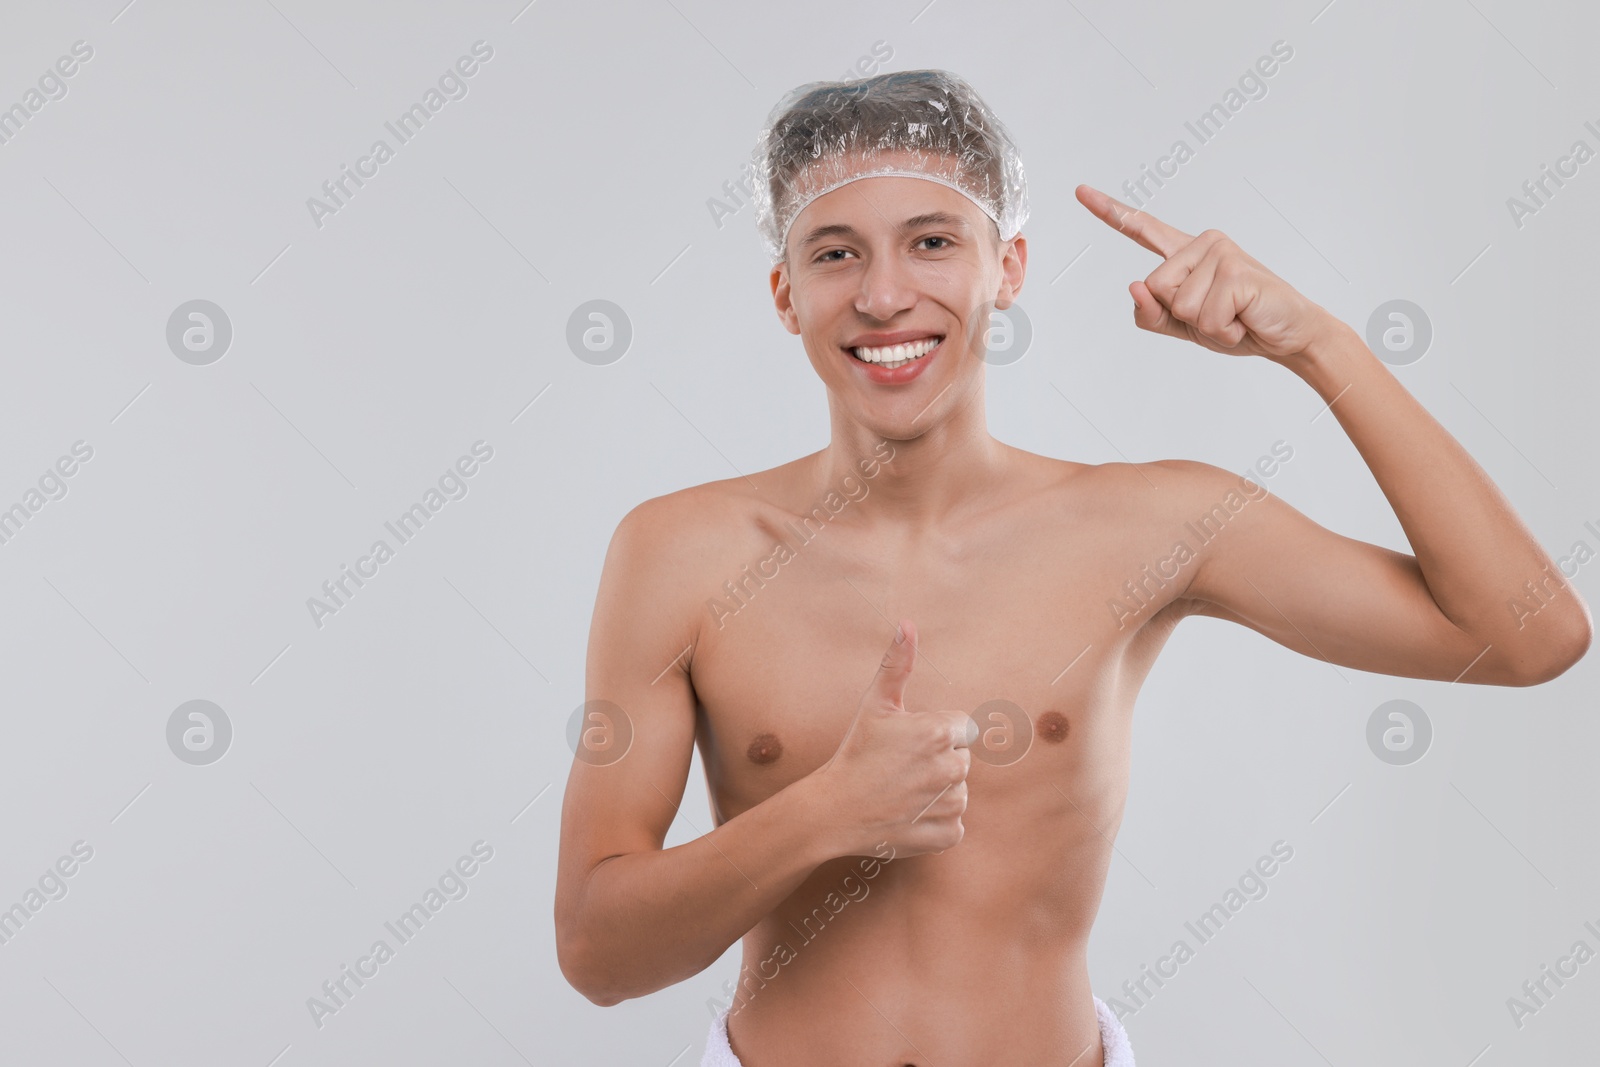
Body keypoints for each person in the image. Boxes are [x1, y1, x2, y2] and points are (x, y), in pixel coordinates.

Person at [554, 69, 1591, 1067]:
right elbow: (598, 953)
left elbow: (1527, 634)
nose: (882, 294)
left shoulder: (1148, 521)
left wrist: (1314, 342)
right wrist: (826, 810)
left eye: (930, 241)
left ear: (1004, 266)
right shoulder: (680, 551)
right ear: (786, 293)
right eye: (834, 253)